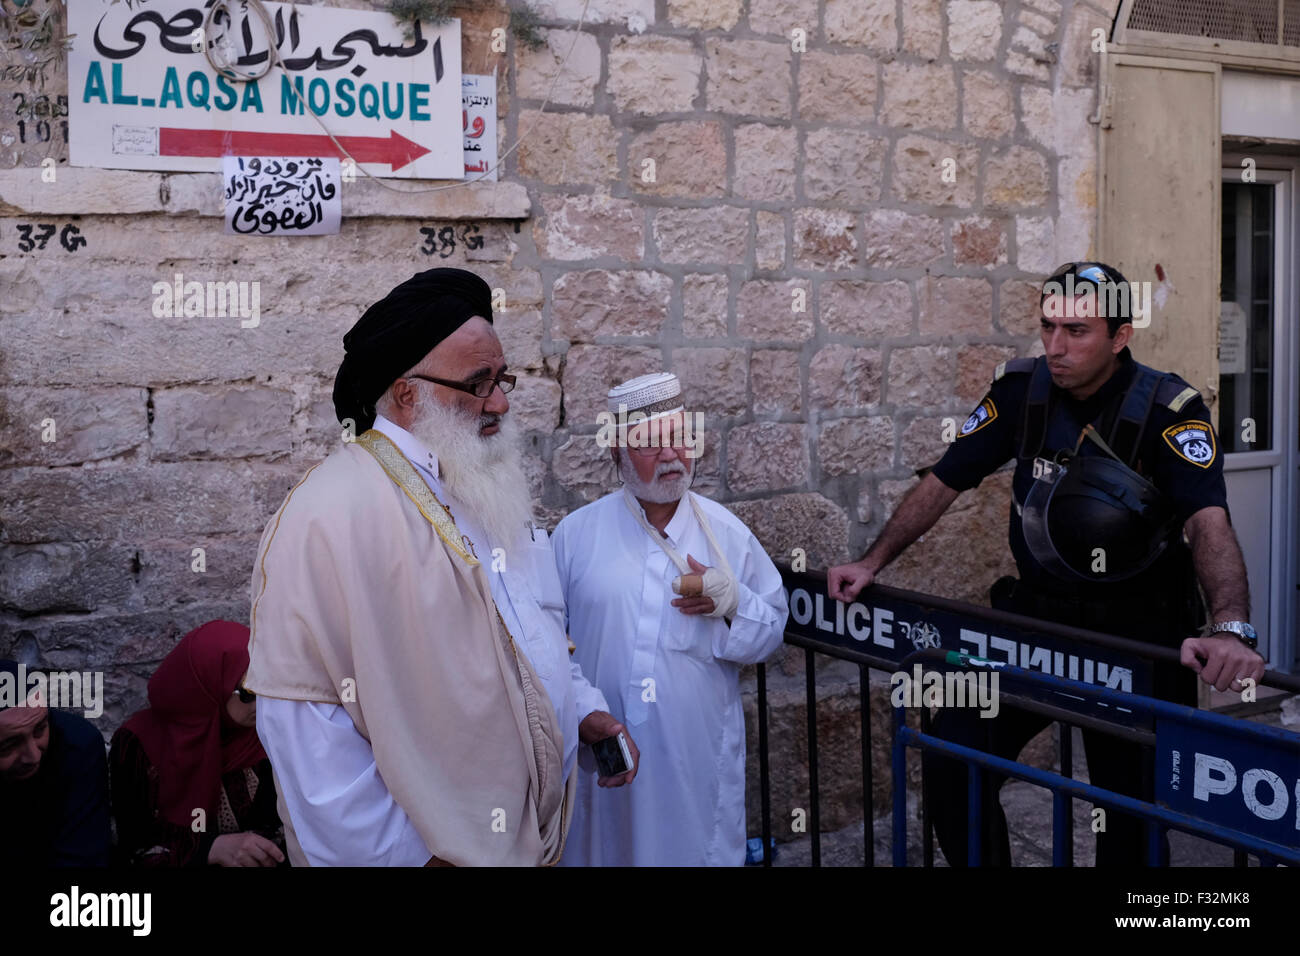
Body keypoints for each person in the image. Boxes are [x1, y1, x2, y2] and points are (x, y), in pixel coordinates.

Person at [828, 261, 1265, 867]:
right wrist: (872, 561)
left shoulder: (1170, 409)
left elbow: (1207, 522)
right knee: (954, 757)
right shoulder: (1020, 391)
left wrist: (1230, 627)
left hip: (1136, 638)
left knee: (1129, 815)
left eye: (1078, 331)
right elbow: (946, 479)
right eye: (1048, 327)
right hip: (1035, 628)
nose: (1057, 347)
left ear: (1120, 336)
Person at [246, 267, 631, 867]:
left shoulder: (485, 483)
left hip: (528, 839)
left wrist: (580, 711)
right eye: (478, 383)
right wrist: (409, 857)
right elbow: (306, 719)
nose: (500, 401)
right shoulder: (327, 514)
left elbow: (532, 631)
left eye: (503, 379)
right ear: (406, 392)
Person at [554, 372, 788, 866]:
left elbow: (770, 632)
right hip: (603, 755)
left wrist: (733, 603)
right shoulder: (576, 536)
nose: (671, 455)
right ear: (617, 452)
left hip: (691, 765)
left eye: (681, 439)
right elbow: (548, 646)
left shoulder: (727, 535)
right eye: (650, 443)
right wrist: (583, 713)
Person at [109, 621, 285, 867]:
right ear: (208, 685)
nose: (261, 705)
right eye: (247, 693)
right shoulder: (139, 745)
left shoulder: (266, 735)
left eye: (265, 686)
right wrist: (209, 850)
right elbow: (133, 847)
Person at [0, 660, 110, 867]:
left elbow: (83, 858)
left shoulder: (75, 745)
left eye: (40, 729)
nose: (33, 756)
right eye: (8, 746)